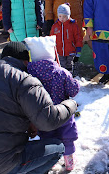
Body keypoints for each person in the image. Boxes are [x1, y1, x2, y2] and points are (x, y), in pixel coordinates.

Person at [0, 41, 78, 174]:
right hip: (1, 165)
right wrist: (70, 104)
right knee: (58, 147)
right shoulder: (24, 80)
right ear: (26, 61)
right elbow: (48, 121)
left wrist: (27, 123)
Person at [25, 36, 80, 171]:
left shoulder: (29, 75)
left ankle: (51, 161)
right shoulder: (62, 73)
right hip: (63, 113)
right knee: (66, 137)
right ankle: (69, 163)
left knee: (48, 139)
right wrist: (76, 82)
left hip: (43, 116)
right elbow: (73, 91)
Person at [50, 3, 83, 70]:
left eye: (64, 16)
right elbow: (52, 38)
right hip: (59, 51)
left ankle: (70, 76)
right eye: (60, 16)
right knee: (61, 66)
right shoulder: (55, 26)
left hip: (71, 51)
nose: (62, 18)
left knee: (70, 65)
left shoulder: (73, 25)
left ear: (68, 15)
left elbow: (78, 37)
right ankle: (63, 77)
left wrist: (78, 48)